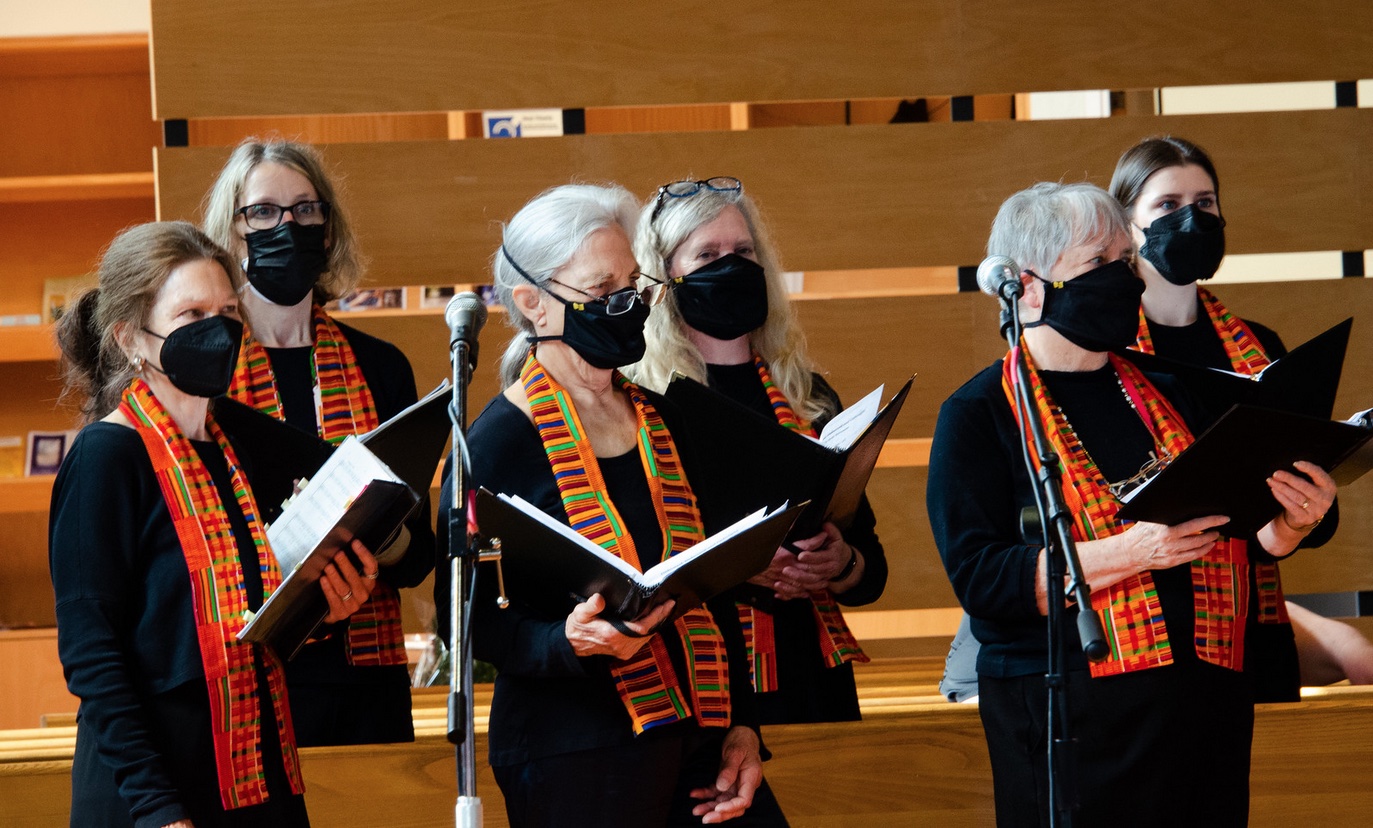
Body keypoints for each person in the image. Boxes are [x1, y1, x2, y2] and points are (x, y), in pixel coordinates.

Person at [926, 182, 1337, 827]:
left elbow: (1246, 529)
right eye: (1098, 264)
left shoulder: (1176, 392)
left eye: (1126, 259)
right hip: (1069, 720)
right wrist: (1128, 552)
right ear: (1028, 288)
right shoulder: (979, 415)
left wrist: (1293, 519)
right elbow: (982, 577)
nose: (1123, 279)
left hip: (1203, 710)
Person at [456, 183, 786, 827]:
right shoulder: (496, 442)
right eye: (602, 290)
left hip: (701, 739)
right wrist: (566, 641)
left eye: (633, 285)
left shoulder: (662, 416)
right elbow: (468, 620)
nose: (627, 305)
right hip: (575, 752)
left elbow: (711, 585)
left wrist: (744, 729)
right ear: (533, 304)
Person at [49, 221, 380, 828]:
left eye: (228, 310)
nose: (217, 330)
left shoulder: (239, 449)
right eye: (192, 313)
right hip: (154, 798)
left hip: (256, 780)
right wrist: (157, 809)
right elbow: (92, 655)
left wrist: (321, 613)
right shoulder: (105, 457)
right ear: (130, 338)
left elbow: (245, 630)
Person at [1109, 135, 1361, 698]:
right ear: (1127, 227)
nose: (1191, 219)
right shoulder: (1104, 349)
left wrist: (1307, 507)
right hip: (1147, 626)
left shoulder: (1259, 345)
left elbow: (1283, 500)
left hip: (1251, 620)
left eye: (1205, 203)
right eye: (1167, 206)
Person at [202, 138, 434, 746]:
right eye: (264, 212)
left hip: (365, 680)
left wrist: (371, 534)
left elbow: (418, 557)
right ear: (232, 232)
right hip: (249, 672)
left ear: (328, 230)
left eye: (306, 210)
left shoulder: (381, 367)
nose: (288, 226)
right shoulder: (204, 369)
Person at [629, 176, 887, 724]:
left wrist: (838, 562)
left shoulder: (808, 395)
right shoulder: (643, 403)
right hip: (707, 680)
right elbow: (631, 565)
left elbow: (871, 567)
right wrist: (737, 564)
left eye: (744, 251)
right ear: (663, 277)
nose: (732, 266)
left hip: (815, 673)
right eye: (707, 254)